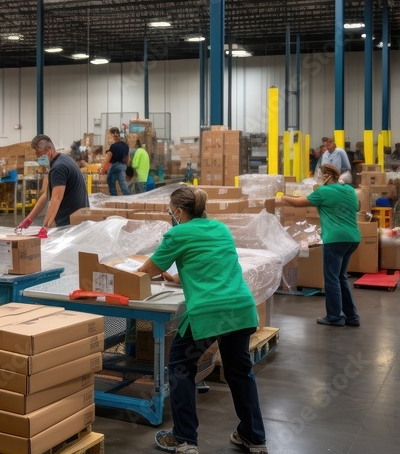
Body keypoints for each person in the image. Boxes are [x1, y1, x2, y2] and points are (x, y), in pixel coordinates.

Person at [136, 187, 267, 454]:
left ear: (179, 211)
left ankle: (184, 438)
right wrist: (177, 278)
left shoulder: (177, 234)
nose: (171, 214)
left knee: (181, 366)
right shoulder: (220, 229)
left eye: (171, 210)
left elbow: (147, 271)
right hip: (240, 309)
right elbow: (210, 266)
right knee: (240, 373)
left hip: (209, 313)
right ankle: (254, 438)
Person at [278, 164, 360, 327]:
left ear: (326, 177)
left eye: (321, 176)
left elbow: (299, 203)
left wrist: (281, 197)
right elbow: (358, 207)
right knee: (341, 277)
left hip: (335, 239)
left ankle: (334, 317)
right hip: (353, 238)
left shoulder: (324, 192)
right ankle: (352, 317)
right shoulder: (350, 190)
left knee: (331, 278)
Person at [16, 134, 89, 229]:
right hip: (78, 219)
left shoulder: (58, 168)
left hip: (70, 224)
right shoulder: (62, 159)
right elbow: (47, 194)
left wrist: (45, 228)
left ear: (48, 149)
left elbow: (56, 198)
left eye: (39, 153)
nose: (37, 157)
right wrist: (28, 220)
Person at [101, 127, 131, 195]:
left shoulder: (113, 146)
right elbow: (128, 158)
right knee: (122, 183)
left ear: (114, 135)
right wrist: (125, 166)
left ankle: (114, 198)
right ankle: (128, 197)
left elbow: (108, 156)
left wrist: (102, 167)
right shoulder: (125, 145)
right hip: (123, 166)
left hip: (114, 165)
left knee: (111, 181)